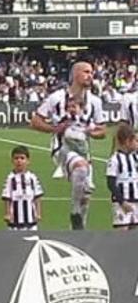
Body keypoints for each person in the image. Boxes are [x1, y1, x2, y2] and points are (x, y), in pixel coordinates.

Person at [31, 61, 105, 230]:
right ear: (76, 74)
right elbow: (35, 121)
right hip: (62, 148)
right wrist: (54, 128)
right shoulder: (57, 98)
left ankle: (78, 230)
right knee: (80, 168)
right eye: (86, 72)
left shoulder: (95, 102)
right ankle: (74, 212)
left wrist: (91, 132)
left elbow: (102, 131)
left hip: (83, 150)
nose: (90, 75)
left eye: (91, 72)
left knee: (86, 195)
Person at [2, 146, 44, 231]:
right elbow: (7, 197)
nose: (19, 161)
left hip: (30, 219)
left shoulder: (32, 177)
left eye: (22, 158)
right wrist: (7, 214)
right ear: (12, 161)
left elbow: (37, 197)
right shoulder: (10, 178)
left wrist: (38, 213)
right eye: (16, 158)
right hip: (14, 221)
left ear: (28, 161)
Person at [106, 124, 138, 230]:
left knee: (133, 236)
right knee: (122, 232)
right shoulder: (115, 159)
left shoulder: (135, 157)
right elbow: (111, 183)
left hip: (136, 200)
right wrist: (122, 202)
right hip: (122, 202)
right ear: (128, 141)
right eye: (136, 141)